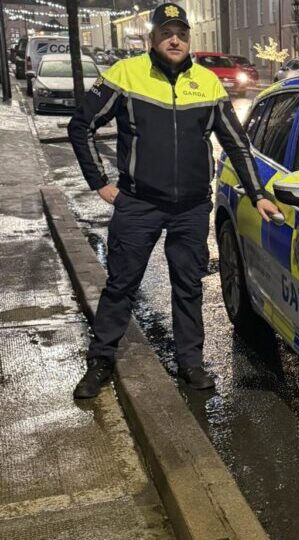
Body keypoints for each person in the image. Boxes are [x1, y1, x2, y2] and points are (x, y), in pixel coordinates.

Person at [68, 3, 280, 399]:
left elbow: (237, 145)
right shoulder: (125, 75)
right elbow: (81, 126)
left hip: (192, 208)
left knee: (188, 286)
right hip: (138, 203)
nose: (175, 39)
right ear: (153, 38)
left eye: (181, 32)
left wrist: (258, 194)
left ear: (188, 37)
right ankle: (100, 360)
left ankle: (190, 363)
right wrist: (99, 182)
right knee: (121, 285)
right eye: (167, 32)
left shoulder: (207, 83)